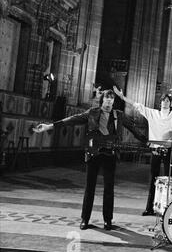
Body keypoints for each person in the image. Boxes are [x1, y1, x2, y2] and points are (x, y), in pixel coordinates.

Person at [33, 90, 147, 231]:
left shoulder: (119, 115)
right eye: (106, 100)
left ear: (113, 102)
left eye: (111, 101)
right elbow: (72, 119)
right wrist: (50, 126)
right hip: (93, 154)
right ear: (102, 100)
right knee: (90, 188)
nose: (108, 103)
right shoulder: (92, 113)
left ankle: (107, 221)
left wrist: (148, 141)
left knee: (109, 189)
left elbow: (134, 129)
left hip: (110, 155)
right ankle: (85, 219)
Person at [113, 87, 172, 216]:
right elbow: (136, 105)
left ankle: (170, 208)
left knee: (170, 180)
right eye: (163, 100)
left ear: (170, 103)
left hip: (169, 150)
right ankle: (149, 208)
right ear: (160, 103)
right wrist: (123, 98)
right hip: (156, 150)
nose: (165, 102)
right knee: (153, 179)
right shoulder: (153, 114)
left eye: (168, 100)